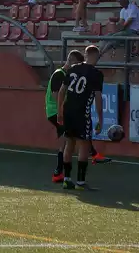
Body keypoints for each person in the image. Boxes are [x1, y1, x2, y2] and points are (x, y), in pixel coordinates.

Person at [57, 44, 104, 190]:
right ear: (95, 56)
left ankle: (66, 179)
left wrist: (59, 111)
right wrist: (100, 119)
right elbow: (97, 98)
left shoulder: (73, 69)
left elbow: (61, 91)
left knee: (69, 143)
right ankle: (81, 183)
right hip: (82, 113)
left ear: (85, 54)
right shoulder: (96, 74)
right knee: (83, 144)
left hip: (68, 111)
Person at [46, 50, 85, 182]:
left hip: (60, 111)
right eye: (78, 64)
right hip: (55, 112)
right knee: (69, 140)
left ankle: (59, 172)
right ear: (71, 61)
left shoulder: (66, 75)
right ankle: (58, 172)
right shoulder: (59, 75)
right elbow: (56, 96)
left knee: (67, 140)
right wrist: (63, 112)